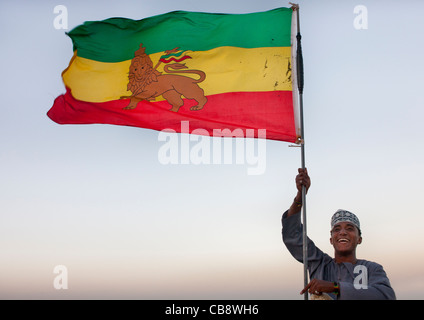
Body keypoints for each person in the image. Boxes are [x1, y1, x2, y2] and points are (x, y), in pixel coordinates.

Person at [282, 168, 396, 300]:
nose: (342, 232)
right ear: (331, 239)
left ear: (359, 239)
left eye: (349, 228)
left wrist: (335, 287)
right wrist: (299, 197)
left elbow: (386, 296)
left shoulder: (371, 269)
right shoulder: (319, 263)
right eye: (337, 229)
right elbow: (292, 234)